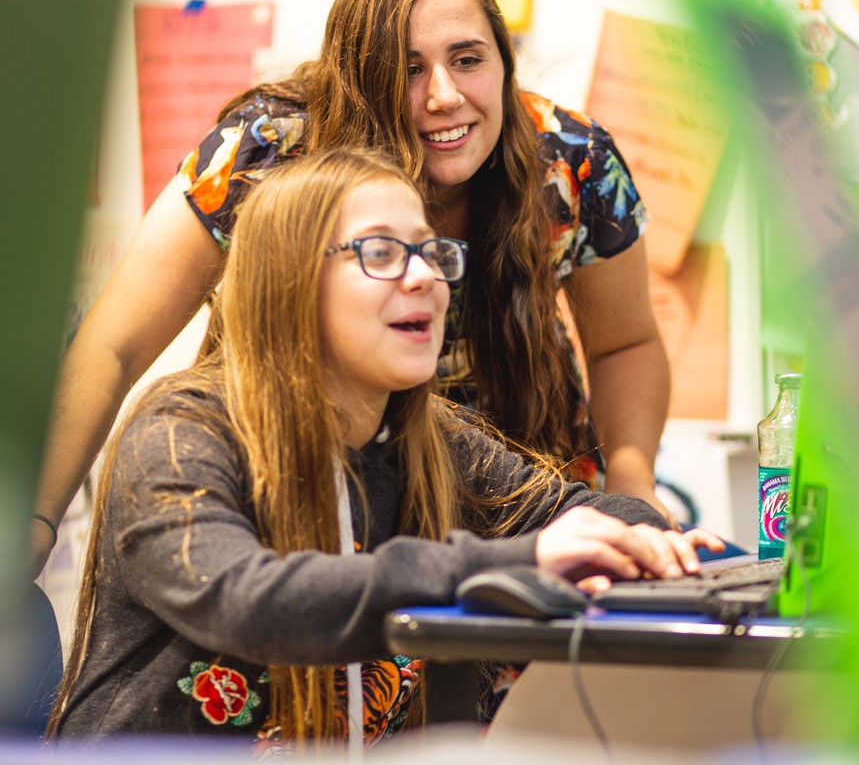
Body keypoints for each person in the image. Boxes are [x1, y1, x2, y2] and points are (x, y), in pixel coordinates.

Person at [29, 0, 672, 577]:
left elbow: (626, 343)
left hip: (520, 501)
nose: (444, 95)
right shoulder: (272, 151)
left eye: (468, 58)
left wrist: (634, 481)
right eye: (407, 67)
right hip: (317, 507)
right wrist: (33, 525)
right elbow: (112, 346)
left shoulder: (570, 159)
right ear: (360, 76)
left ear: (506, 63)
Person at [45, 148, 722, 749]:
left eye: (431, 251)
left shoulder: (427, 437)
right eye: (380, 252)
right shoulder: (179, 432)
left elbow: (596, 515)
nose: (426, 276)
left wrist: (650, 538)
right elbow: (250, 601)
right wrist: (522, 561)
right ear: (288, 281)